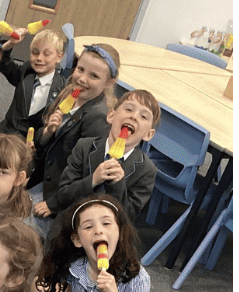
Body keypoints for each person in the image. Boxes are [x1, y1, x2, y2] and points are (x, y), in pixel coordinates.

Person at [31, 45, 117, 218]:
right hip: (43, 174)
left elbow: (86, 173)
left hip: (61, 195)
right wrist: (48, 132)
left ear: (108, 83)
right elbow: (44, 142)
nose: (82, 79)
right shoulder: (69, 95)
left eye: (93, 76)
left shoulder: (97, 118)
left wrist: (54, 203)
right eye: (80, 69)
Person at [50, 90, 160, 223]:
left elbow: (127, 218)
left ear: (148, 134)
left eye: (143, 117)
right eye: (129, 109)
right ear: (111, 116)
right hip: (71, 221)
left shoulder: (147, 170)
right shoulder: (84, 146)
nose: (134, 117)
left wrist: (117, 185)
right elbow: (63, 196)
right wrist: (94, 179)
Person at [0, 25, 67, 138]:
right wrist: (11, 44)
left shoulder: (62, 88)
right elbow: (4, 63)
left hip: (31, 141)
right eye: (35, 53)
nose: (39, 58)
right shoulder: (26, 70)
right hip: (6, 131)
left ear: (59, 57)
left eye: (47, 54)